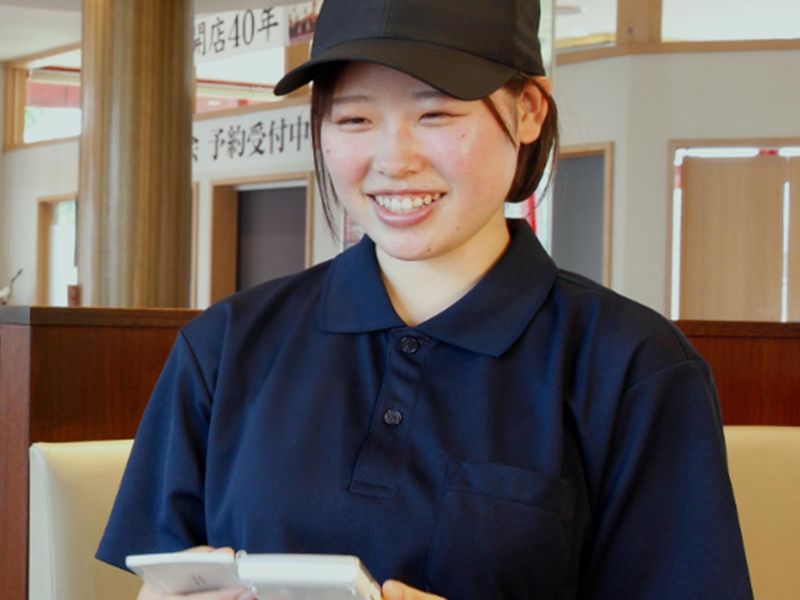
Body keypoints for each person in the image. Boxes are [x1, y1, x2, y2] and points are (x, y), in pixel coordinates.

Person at [97, 0, 754, 598]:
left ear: (528, 110)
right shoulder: (225, 345)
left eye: (435, 113)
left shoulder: (634, 367)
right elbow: (162, 578)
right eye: (355, 118)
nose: (394, 160)